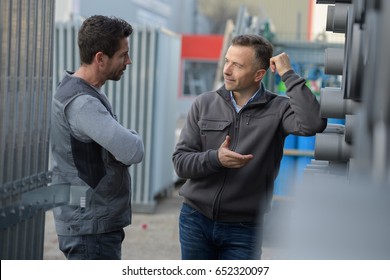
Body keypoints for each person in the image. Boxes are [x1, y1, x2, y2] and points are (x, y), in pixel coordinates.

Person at [172, 34, 327, 260]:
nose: (227, 70)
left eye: (237, 65)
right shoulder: (204, 104)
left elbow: (313, 123)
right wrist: (216, 159)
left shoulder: (279, 108)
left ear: (259, 75)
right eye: (227, 61)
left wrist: (288, 74)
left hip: (244, 227)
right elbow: (181, 164)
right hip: (195, 220)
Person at [50, 15, 144, 260]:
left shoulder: (80, 92)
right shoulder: (83, 104)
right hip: (90, 230)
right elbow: (133, 151)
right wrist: (131, 135)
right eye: (123, 55)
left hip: (90, 223)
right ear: (100, 58)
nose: (128, 61)